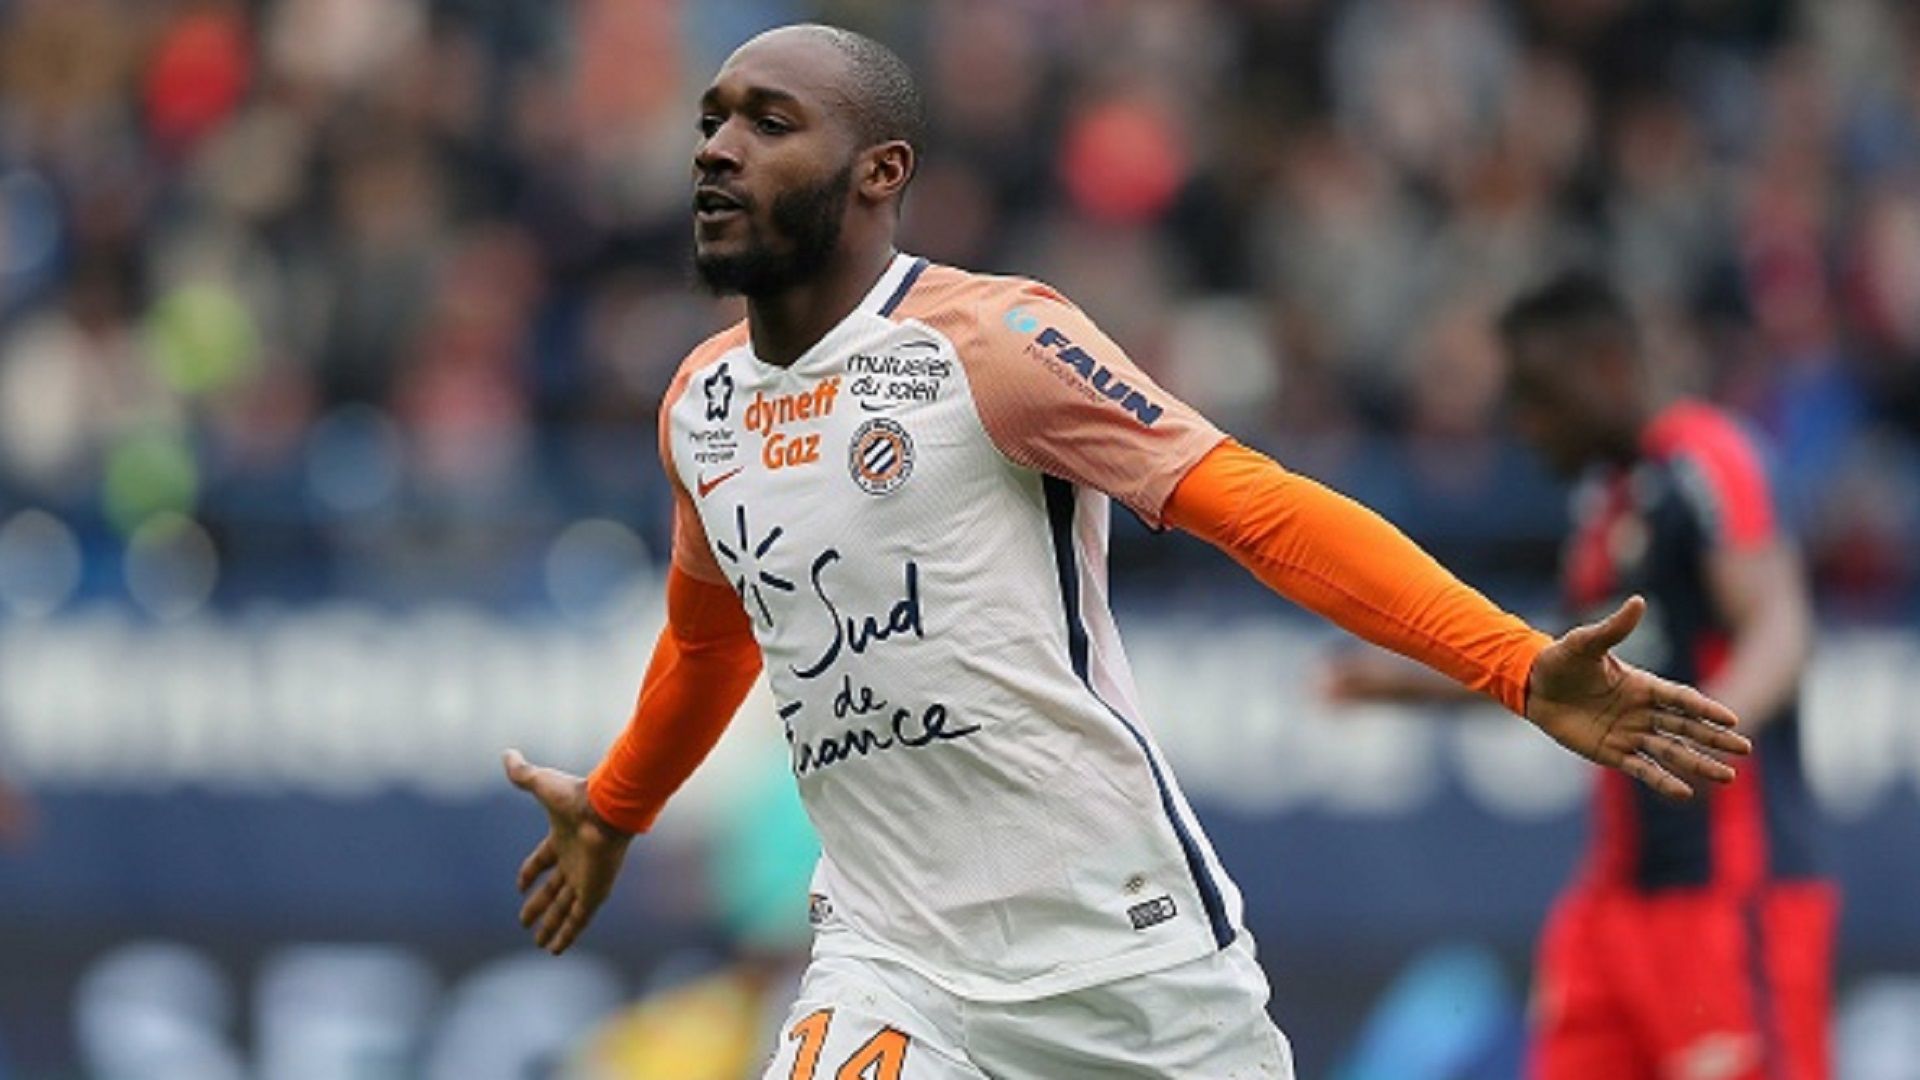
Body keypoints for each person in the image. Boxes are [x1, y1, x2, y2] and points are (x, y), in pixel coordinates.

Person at [502, 26, 1749, 1079]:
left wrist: (1519, 667)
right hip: (894, 961)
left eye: (769, 124)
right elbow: (714, 636)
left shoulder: (992, 342)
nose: (716, 148)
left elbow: (1263, 510)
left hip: (1125, 955)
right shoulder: (701, 406)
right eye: (713, 120)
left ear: (881, 170)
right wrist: (616, 811)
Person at [1329, 272, 1833, 1079]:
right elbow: (1567, 676)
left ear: (1606, 366)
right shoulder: (1607, 504)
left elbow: (1782, 620)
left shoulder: (1706, 458)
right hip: (1613, 900)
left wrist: (1711, 725)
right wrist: (1414, 684)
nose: (1527, 427)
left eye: (1539, 397)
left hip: (1726, 893)